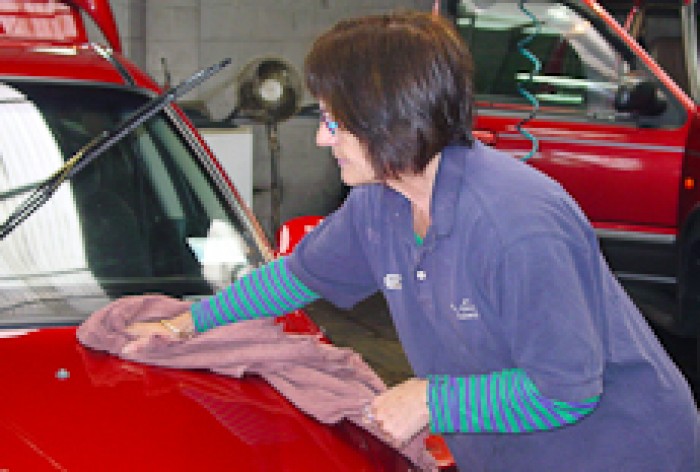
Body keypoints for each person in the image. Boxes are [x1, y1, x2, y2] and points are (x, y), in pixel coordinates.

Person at [124, 11, 699, 471]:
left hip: (618, 451)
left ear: (387, 119)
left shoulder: (515, 225)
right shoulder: (381, 202)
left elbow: (567, 389)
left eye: (333, 121)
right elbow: (297, 276)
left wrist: (431, 398)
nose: (324, 141)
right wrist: (185, 325)